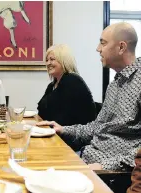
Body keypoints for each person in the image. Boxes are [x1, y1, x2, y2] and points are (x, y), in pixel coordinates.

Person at [37, 22, 141, 171]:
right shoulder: (115, 84)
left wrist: (103, 166)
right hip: (86, 156)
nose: (98, 49)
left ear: (121, 47)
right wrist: (63, 129)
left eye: (103, 43)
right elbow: (97, 127)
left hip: (108, 172)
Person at [37, 44, 96, 126]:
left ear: (64, 61)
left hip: (75, 135)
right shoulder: (51, 86)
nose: (48, 63)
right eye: (47, 60)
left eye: (52, 59)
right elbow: (41, 110)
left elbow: (65, 117)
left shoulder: (72, 81)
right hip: (57, 131)